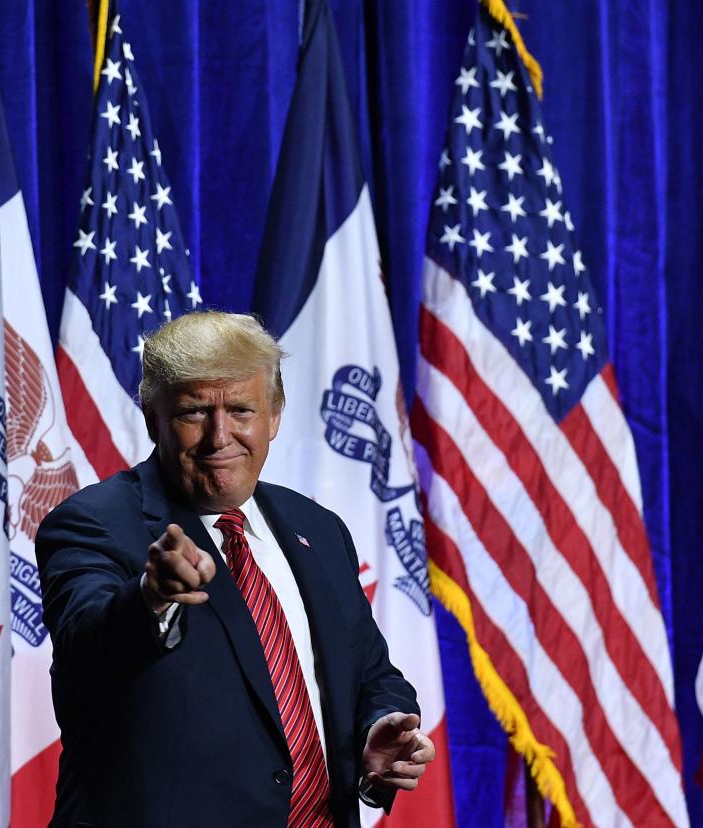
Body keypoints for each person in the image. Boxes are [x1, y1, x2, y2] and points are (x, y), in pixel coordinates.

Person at [37, 311, 435, 828]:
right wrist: (151, 597)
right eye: (194, 412)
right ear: (152, 418)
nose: (219, 436)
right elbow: (87, 644)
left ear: (274, 415)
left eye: (242, 410)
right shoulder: (93, 523)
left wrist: (377, 730)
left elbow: (369, 671)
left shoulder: (316, 527)